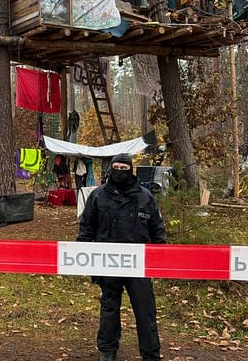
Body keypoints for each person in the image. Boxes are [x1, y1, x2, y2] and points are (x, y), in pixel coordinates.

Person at [77, 153, 166, 361]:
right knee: (109, 308)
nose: (119, 171)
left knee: (145, 310)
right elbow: (87, 227)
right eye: (116, 167)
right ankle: (107, 350)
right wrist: (81, 254)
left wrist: (160, 257)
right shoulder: (98, 196)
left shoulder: (145, 197)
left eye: (124, 168)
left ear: (131, 170)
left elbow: (157, 229)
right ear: (110, 169)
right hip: (108, 262)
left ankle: (151, 353)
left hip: (139, 265)